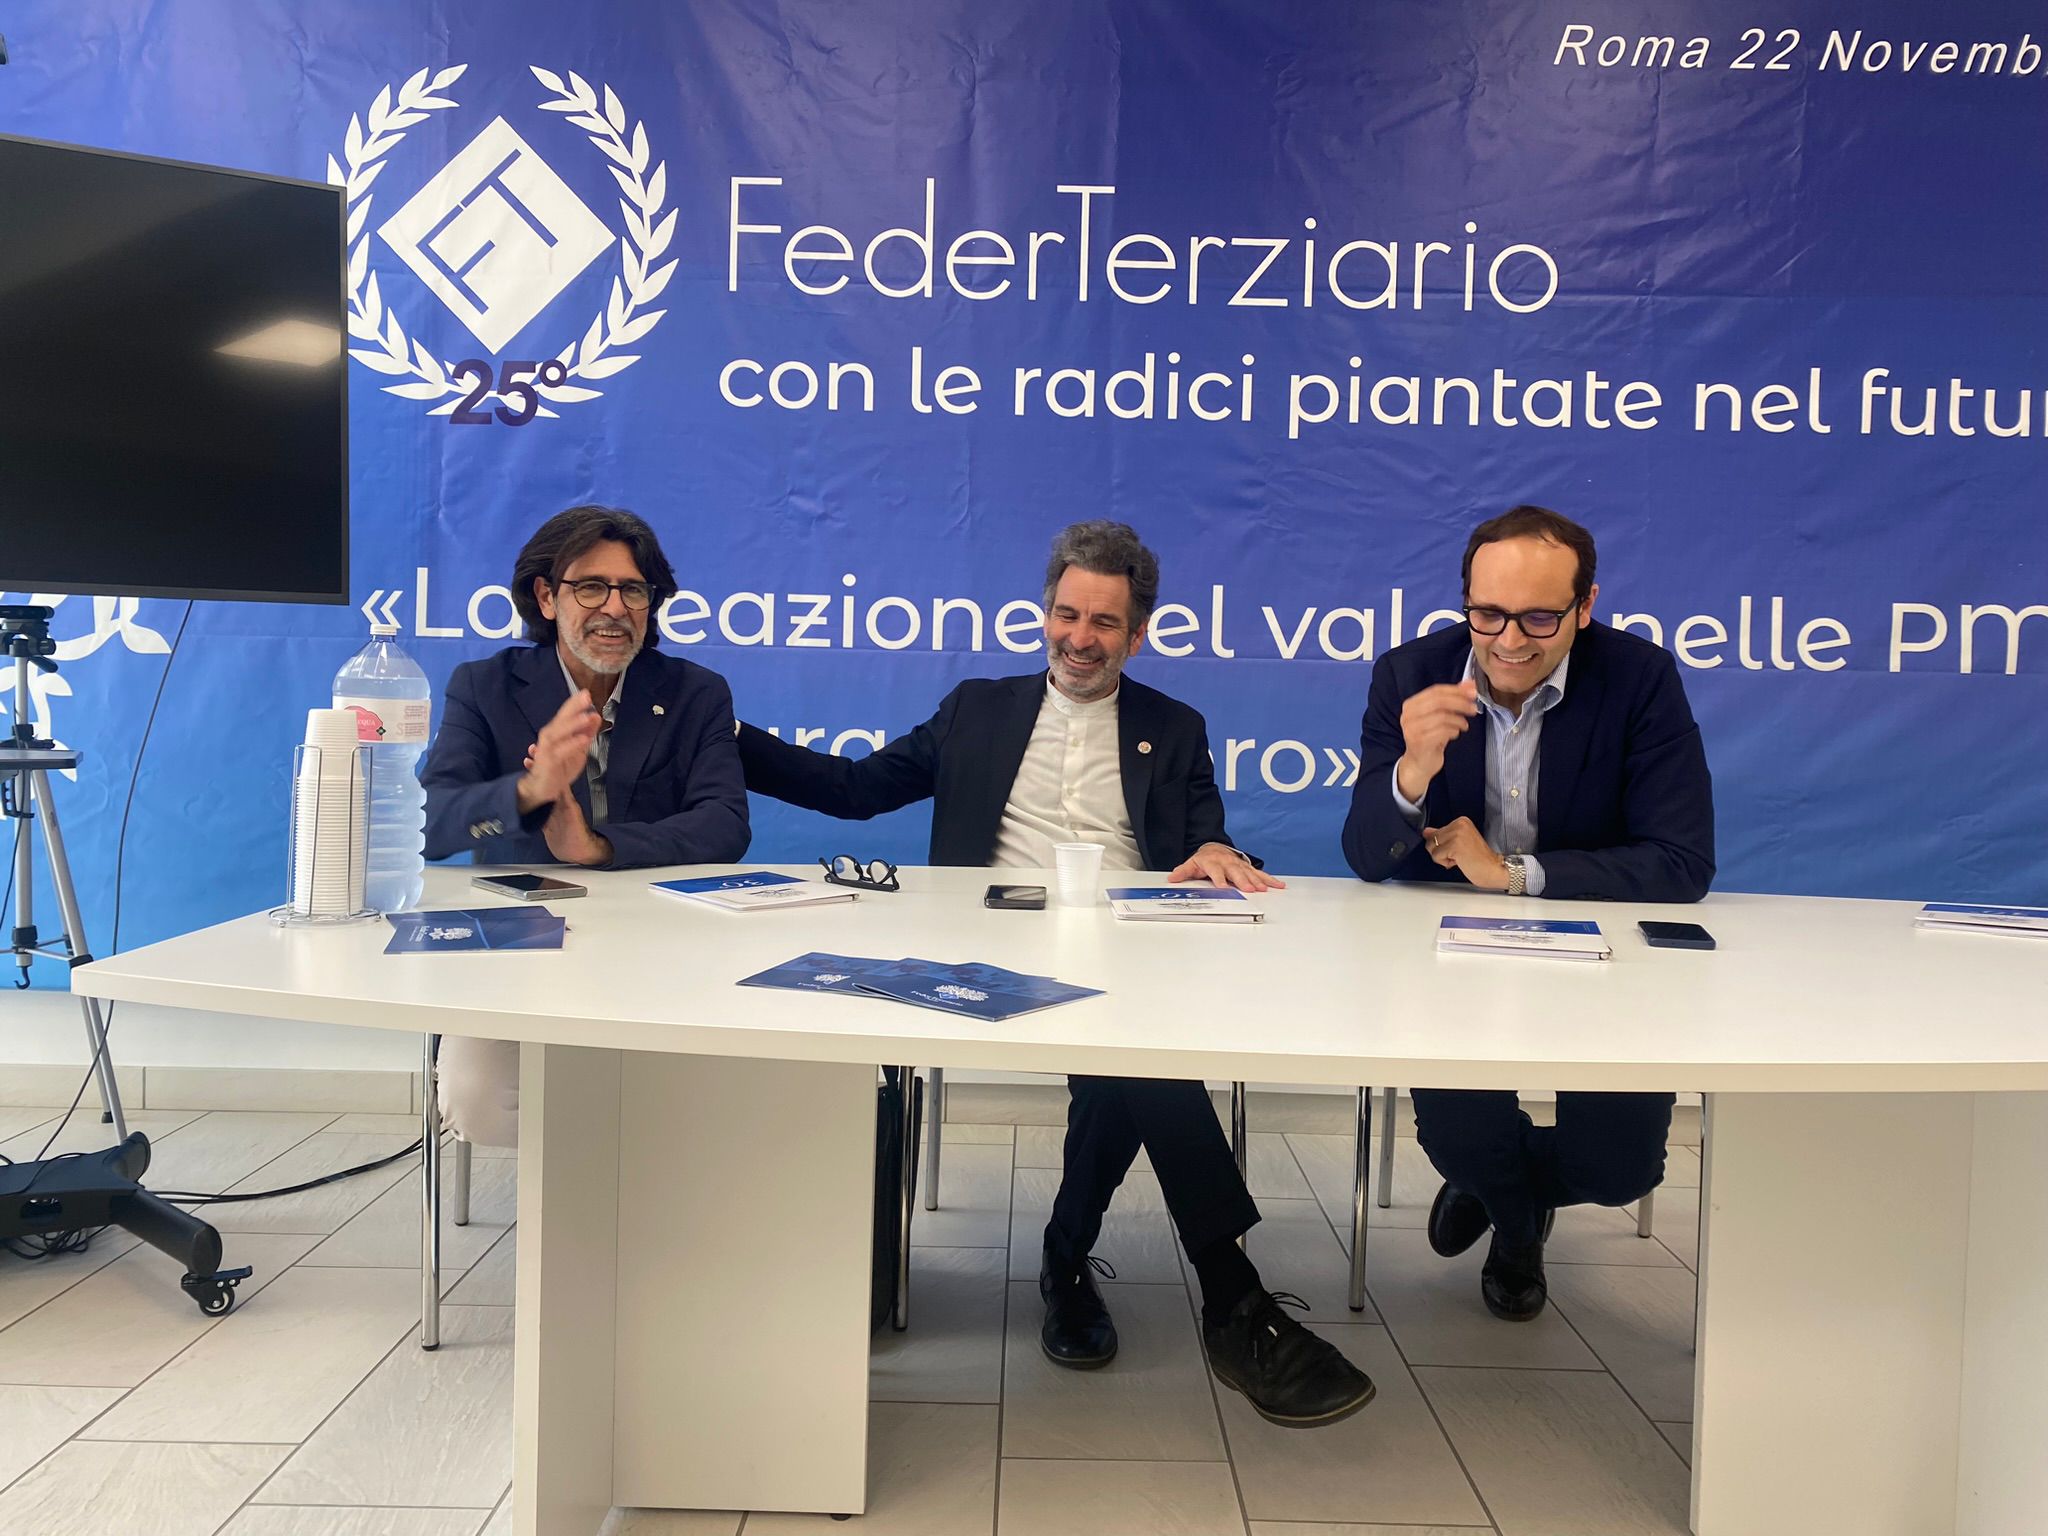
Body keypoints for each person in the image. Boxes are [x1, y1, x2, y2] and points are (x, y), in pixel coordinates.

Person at [740, 520, 1375, 1428]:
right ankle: (1224, 1297)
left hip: (1129, 950)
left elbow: (1208, 836)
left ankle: (1070, 1263)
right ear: (1045, 614)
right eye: (1067, 614)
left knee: (1128, 1060)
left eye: (1105, 622)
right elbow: (854, 790)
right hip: (989, 950)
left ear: (1137, 635)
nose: (1081, 638)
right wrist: (726, 734)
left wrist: (1216, 853)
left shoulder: (1173, 728)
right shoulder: (977, 709)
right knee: (1143, 1060)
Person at [1342, 504, 1713, 1322]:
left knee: (1622, 1171)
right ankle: (1516, 1225)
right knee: (1459, 1144)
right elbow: (1367, 856)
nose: (1509, 640)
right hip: (1452, 961)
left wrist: (1512, 874)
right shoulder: (1411, 674)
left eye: (1540, 617)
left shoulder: (1640, 678)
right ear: (1465, 602)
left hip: (1605, 958)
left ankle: (1503, 1192)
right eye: (1488, 614)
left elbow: (1681, 861)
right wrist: (1411, 771)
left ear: (1586, 606)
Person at [419, 504, 751, 1144]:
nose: (615, 608)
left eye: (633, 590)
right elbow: (429, 826)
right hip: (522, 943)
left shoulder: (695, 692)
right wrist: (528, 792)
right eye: (592, 587)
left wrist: (595, 846)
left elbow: (725, 824)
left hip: (660, 938)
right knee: (478, 1102)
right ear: (547, 597)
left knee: (700, 1105)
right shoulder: (485, 687)